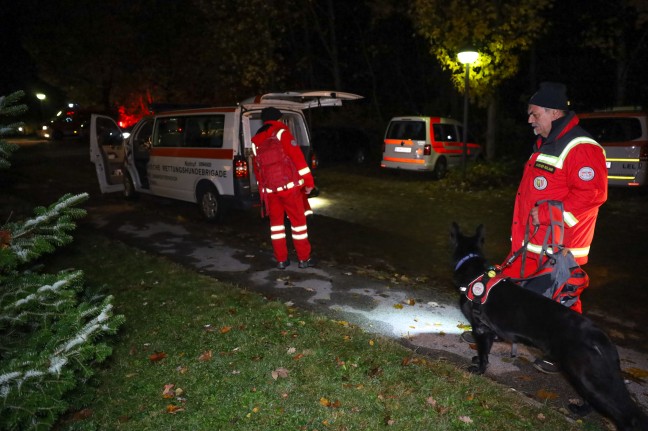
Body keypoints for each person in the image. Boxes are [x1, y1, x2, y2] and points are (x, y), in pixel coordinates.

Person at [461, 82, 608, 374]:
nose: (530, 120)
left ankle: (566, 353)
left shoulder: (581, 147)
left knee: (561, 304)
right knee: (512, 293)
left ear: (554, 112)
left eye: (534, 114)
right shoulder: (548, 143)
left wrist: (554, 214)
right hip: (530, 245)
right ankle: (496, 334)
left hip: (560, 249)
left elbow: (593, 194)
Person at [251, 107, 315, 270]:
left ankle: (281, 260)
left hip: (271, 191)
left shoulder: (255, 140)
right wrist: (309, 182)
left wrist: (262, 192)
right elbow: (298, 158)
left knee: (277, 227)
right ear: (277, 119)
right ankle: (304, 259)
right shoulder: (281, 133)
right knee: (298, 224)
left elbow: (257, 169)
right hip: (289, 189)